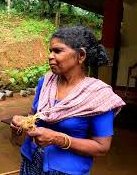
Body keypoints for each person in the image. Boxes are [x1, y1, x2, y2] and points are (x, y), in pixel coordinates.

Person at [11, 26, 125, 175]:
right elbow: (34, 117)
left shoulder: (99, 95)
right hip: (31, 160)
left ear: (81, 55)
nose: (50, 56)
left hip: (66, 171)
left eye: (57, 51)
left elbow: (101, 147)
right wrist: (21, 123)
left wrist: (57, 139)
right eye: (50, 51)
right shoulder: (45, 82)